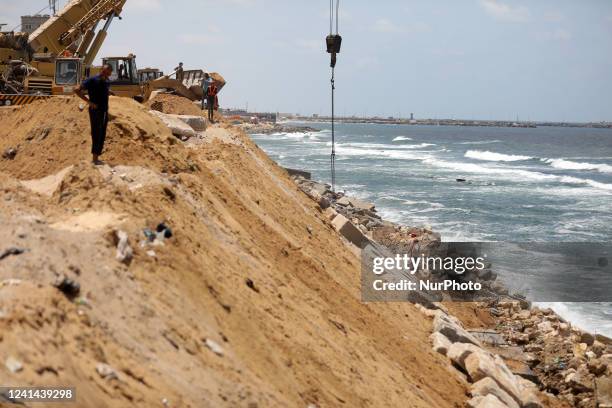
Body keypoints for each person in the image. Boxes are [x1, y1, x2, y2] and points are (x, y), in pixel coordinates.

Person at [74, 64, 113, 165]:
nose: (106, 74)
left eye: (108, 73)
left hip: (104, 111)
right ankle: (94, 159)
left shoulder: (107, 81)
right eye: (104, 71)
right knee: (97, 133)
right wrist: (89, 102)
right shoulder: (92, 80)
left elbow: (103, 90)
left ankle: (97, 157)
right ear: (101, 70)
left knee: (102, 134)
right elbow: (77, 90)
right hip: (95, 111)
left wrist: (109, 92)